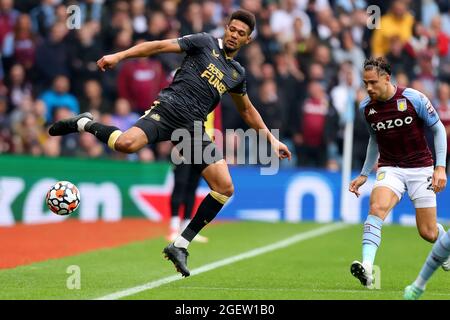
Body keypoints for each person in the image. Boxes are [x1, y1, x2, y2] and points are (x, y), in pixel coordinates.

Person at [48, 9, 291, 277]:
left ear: (248, 40)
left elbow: (247, 110)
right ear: (226, 27)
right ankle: (83, 123)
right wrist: (120, 55)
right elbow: (158, 46)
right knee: (126, 145)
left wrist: (271, 139)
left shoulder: (236, 73)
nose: (234, 35)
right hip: (168, 109)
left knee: (224, 187)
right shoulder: (204, 42)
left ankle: (180, 245)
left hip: (193, 129)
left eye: (241, 33)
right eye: (232, 29)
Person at [348, 57, 448, 287]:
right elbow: (375, 139)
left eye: (373, 82)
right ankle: (367, 267)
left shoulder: (413, 98)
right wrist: (364, 173)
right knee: (376, 208)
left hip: (420, 167)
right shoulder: (366, 108)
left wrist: (440, 167)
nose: (369, 88)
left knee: (428, 233)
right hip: (390, 167)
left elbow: (439, 129)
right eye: (365, 83)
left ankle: (444, 241)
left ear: (386, 78)